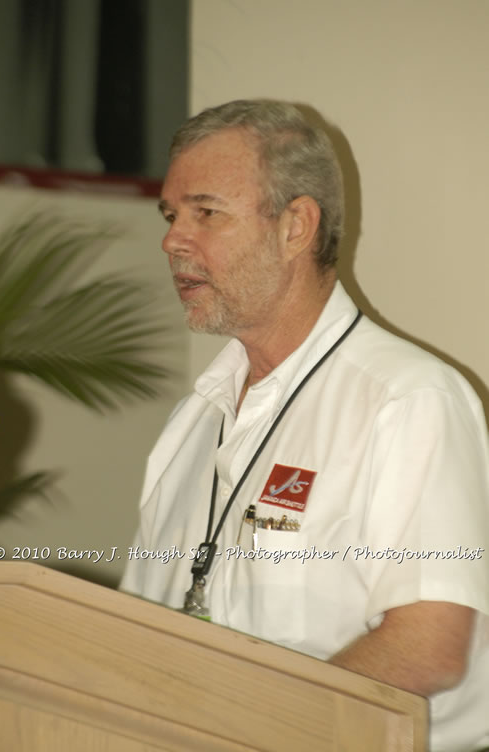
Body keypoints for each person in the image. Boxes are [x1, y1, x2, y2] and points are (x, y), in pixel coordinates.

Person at [121, 99, 489, 752]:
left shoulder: (407, 400)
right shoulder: (195, 418)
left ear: (296, 227)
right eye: (171, 215)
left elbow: (427, 648)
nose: (173, 239)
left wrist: (247, 733)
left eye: (206, 212)